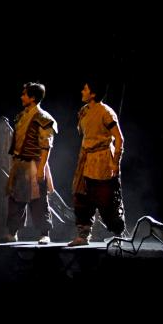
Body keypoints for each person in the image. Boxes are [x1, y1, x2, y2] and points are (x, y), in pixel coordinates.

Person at [69, 82, 125, 246]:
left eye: (85, 89)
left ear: (93, 94)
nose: (82, 91)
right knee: (82, 198)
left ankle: (118, 234)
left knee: (106, 199)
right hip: (86, 160)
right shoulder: (84, 111)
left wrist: (116, 162)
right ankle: (83, 236)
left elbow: (119, 139)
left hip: (102, 160)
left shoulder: (106, 112)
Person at [4, 82, 57, 244]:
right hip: (20, 164)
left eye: (24, 94)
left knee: (38, 200)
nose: (22, 97)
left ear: (32, 98)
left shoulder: (43, 118)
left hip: (34, 164)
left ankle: (44, 233)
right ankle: (12, 232)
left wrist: (41, 169)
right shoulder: (21, 116)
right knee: (15, 199)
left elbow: (46, 146)